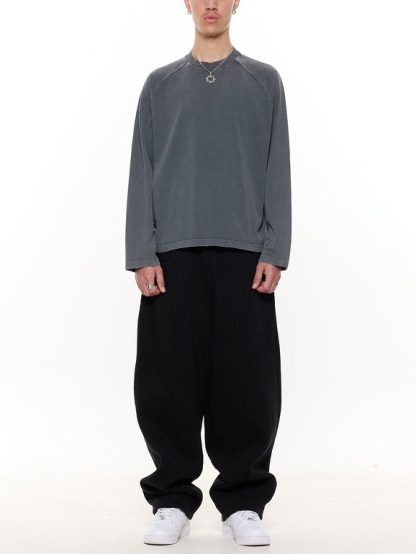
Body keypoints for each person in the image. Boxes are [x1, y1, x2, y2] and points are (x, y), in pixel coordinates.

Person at [125, 0, 291, 546]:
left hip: (246, 254)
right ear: (187, 3)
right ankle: (172, 499)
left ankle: (243, 501)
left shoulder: (264, 81)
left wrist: (276, 249)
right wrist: (141, 251)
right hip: (171, 255)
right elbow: (142, 167)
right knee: (165, 384)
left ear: (236, 2)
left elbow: (277, 166)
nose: (211, 4)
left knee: (248, 384)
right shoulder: (160, 85)